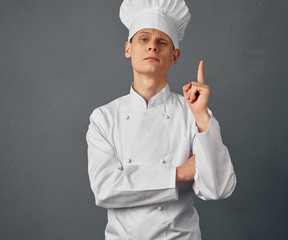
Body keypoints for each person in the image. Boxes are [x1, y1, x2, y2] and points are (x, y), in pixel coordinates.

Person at [86, 0, 237, 239]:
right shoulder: (104, 118)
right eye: (144, 39)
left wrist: (201, 115)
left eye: (162, 42)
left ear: (174, 56)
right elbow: (105, 189)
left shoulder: (193, 114)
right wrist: (177, 174)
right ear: (128, 49)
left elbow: (218, 189)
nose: (152, 47)